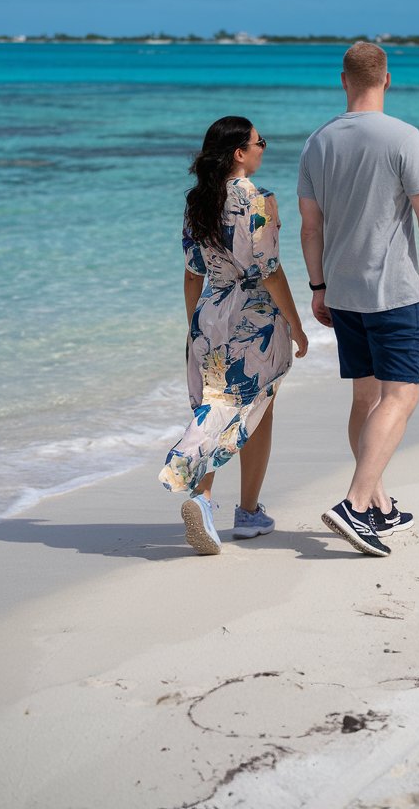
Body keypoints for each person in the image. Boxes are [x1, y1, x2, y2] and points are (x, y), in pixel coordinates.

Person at [297, 42, 419, 557]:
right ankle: (353, 502)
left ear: (342, 80)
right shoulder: (403, 137)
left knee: (366, 401)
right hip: (392, 292)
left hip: (343, 293)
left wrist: (319, 286)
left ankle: (379, 509)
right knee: (402, 397)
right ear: (387, 80)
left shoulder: (317, 142)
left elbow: (310, 227)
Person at [159, 115, 308, 556]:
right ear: (240, 153)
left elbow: (193, 274)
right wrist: (296, 325)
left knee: (215, 405)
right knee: (256, 407)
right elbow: (270, 272)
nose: (265, 147)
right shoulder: (259, 200)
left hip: (210, 313)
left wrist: (195, 326)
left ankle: (205, 500)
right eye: (261, 141)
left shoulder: (197, 201)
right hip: (254, 315)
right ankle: (244, 513)